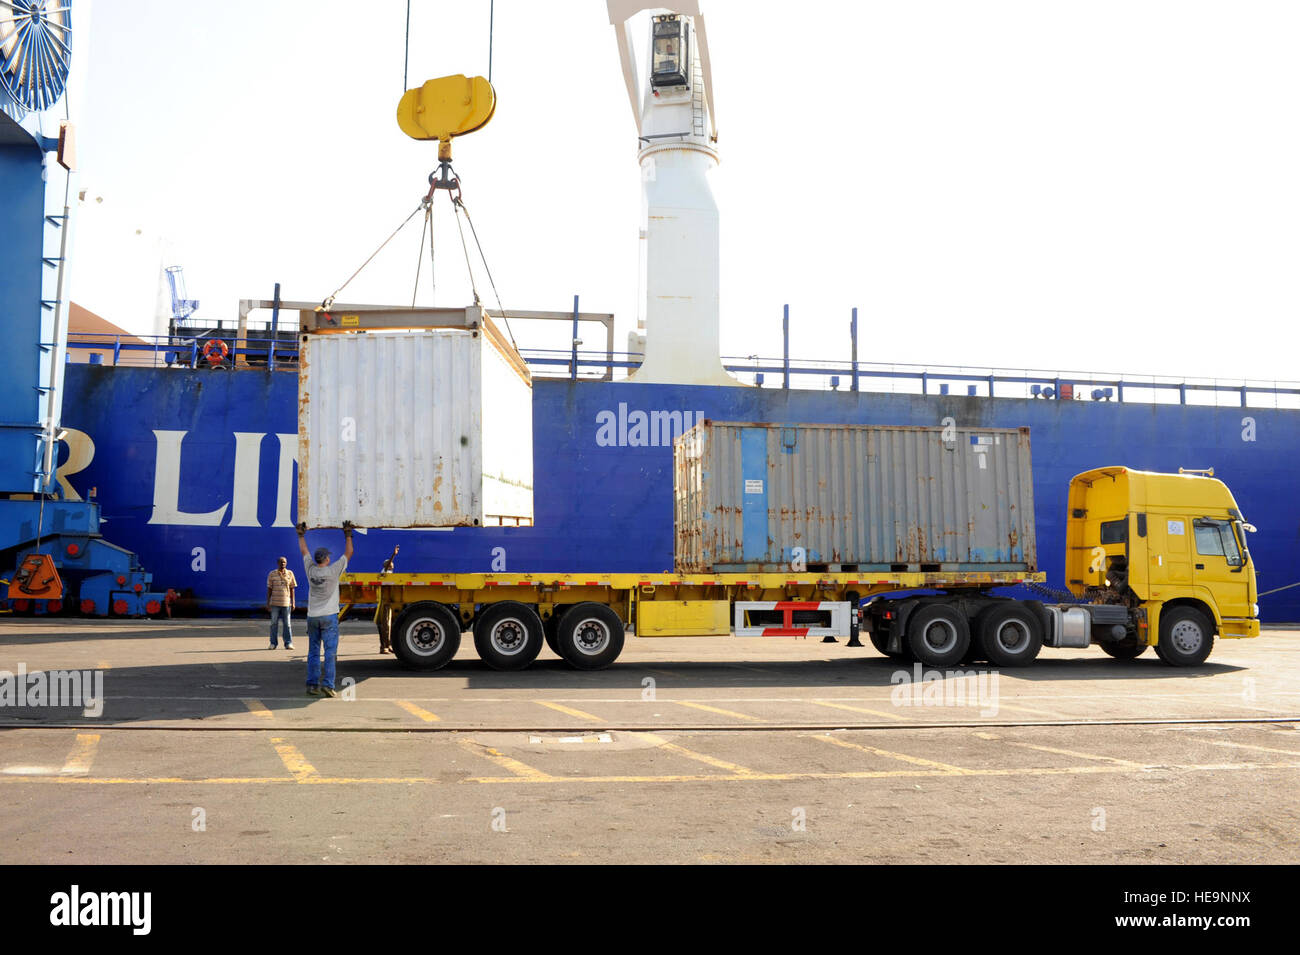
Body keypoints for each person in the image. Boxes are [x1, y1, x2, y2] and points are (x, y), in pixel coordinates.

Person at [296, 521, 354, 698]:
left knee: (313, 651)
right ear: (327, 559)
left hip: (312, 616)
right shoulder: (333, 570)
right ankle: (328, 685)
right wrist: (348, 534)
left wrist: (300, 535)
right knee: (330, 653)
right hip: (329, 616)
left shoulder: (310, 570)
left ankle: (312, 685)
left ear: (316, 559)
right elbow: (349, 552)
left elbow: (304, 551)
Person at [265, 556, 297, 649]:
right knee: (273, 623)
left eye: (284, 562)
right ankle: (273, 643)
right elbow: (269, 589)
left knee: (287, 624)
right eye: (281, 562)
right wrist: (268, 603)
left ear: (286, 563)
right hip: (274, 603)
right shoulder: (272, 574)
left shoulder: (290, 573)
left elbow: (292, 589)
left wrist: (293, 602)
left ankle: (288, 643)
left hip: (286, 603)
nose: (283, 564)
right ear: (277, 563)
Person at [375, 544, 399, 653]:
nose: (392, 565)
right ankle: (384, 646)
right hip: (383, 603)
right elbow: (388, 565)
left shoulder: (389, 573)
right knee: (384, 625)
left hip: (386, 603)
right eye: (391, 564)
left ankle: (387, 645)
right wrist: (393, 555)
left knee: (388, 626)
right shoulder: (385, 572)